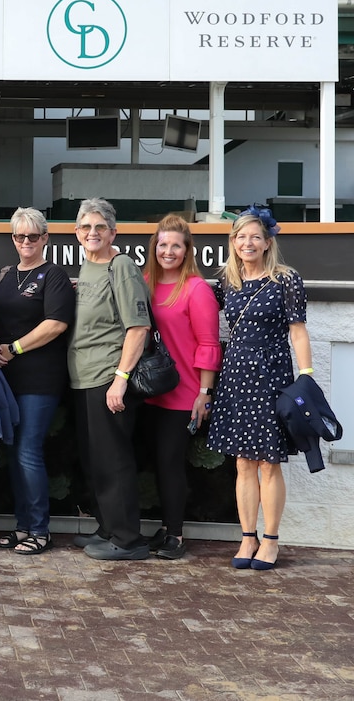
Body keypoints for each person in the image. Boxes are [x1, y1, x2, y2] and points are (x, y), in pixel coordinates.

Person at [206, 205, 311, 571]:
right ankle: (247, 537)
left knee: (268, 463)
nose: (247, 242)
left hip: (271, 375)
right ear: (232, 242)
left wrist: (307, 374)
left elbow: (297, 330)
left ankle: (271, 540)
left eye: (255, 236)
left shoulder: (285, 279)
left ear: (267, 242)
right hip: (235, 377)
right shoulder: (227, 281)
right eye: (240, 236)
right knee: (243, 463)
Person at [68, 197, 151, 561]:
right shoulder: (87, 269)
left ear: (113, 232)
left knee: (114, 460)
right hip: (81, 378)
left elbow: (138, 327)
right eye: (86, 227)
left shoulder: (122, 267)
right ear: (76, 234)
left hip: (107, 377)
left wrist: (120, 379)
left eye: (100, 227)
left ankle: (129, 539)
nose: (92, 233)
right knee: (94, 459)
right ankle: (108, 526)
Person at [0, 207, 74, 556]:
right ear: (13, 239)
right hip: (5, 377)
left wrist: (13, 347)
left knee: (27, 451)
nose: (27, 242)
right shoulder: (7, 274)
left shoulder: (53, 275)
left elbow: (56, 324)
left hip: (40, 378)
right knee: (14, 451)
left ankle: (40, 530)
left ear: (45, 239)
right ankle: (23, 526)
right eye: (20, 236)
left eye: (34, 236)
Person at [140, 214, 221, 560]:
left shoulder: (196, 289)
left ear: (187, 250)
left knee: (172, 463)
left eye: (176, 245)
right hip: (148, 392)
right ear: (154, 247)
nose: (168, 251)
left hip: (183, 393)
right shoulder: (145, 282)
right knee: (156, 462)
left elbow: (209, 345)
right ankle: (163, 526)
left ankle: (175, 534)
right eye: (163, 244)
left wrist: (205, 393)